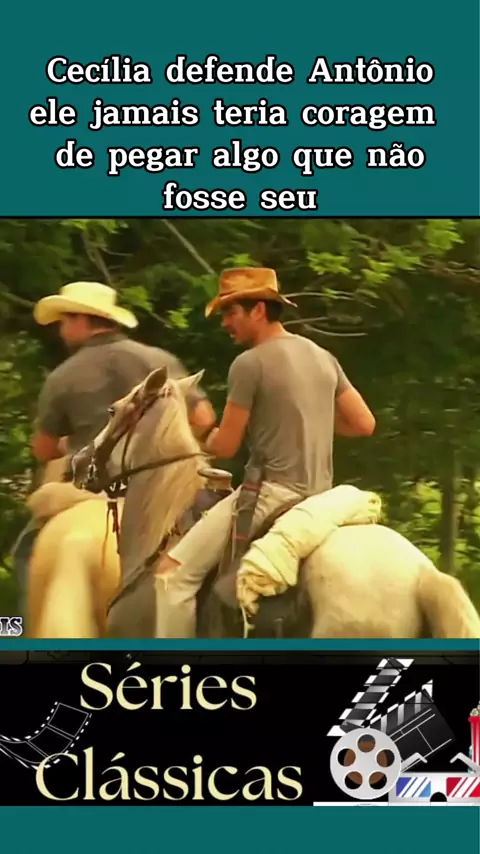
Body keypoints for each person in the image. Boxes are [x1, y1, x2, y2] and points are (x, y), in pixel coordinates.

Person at [155, 267, 375, 638]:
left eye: (231, 312)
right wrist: (311, 419)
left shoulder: (249, 363)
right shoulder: (323, 356)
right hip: (321, 498)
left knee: (172, 575)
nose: (225, 323)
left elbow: (226, 446)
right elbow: (364, 423)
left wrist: (198, 435)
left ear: (258, 310)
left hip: (270, 495)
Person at [12, 280, 216, 609]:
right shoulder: (158, 360)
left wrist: (71, 444)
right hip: (157, 495)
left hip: (88, 491)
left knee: (27, 552)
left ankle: (15, 633)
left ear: (81, 319)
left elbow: (43, 451)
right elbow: (204, 419)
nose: (61, 331)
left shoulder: (63, 376)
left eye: (64, 321)